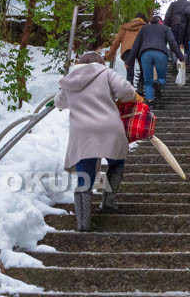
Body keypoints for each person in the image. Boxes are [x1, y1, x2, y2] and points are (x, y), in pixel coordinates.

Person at [54, 52, 143, 232]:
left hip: (82, 132)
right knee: (116, 162)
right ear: (100, 62)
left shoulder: (70, 80)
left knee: (84, 177)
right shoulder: (106, 73)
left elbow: (59, 103)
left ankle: (83, 222)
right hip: (109, 127)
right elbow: (126, 91)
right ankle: (109, 202)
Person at [126, 15, 186, 106]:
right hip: (160, 54)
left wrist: (129, 61)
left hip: (145, 54)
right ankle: (158, 82)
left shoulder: (144, 28)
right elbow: (172, 42)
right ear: (160, 22)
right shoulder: (165, 28)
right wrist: (181, 57)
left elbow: (136, 45)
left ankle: (149, 101)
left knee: (147, 81)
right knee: (162, 78)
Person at [104, 13, 147, 82]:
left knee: (130, 74)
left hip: (128, 50)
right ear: (144, 20)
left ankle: (129, 90)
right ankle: (140, 89)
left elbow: (116, 42)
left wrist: (108, 56)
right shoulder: (145, 27)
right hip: (140, 49)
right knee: (143, 70)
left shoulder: (125, 27)